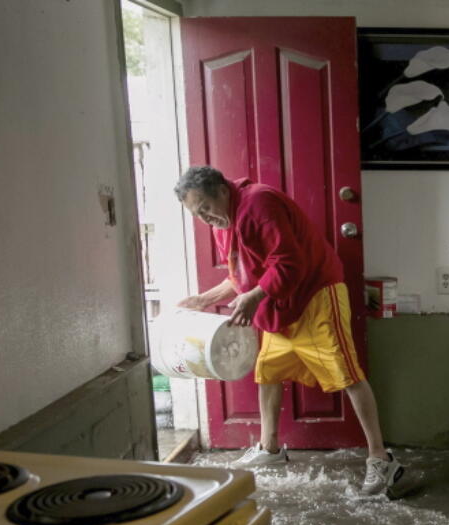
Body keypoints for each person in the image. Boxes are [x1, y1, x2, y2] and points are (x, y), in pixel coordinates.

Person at [173, 166, 404, 496]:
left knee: (346, 373)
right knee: (268, 371)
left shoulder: (259, 204)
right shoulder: (223, 224)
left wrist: (254, 296)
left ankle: (382, 459)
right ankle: (270, 449)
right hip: (279, 302)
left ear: (222, 191)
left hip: (315, 294)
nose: (205, 218)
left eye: (206, 207)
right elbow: (239, 277)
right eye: (197, 213)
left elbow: (289, 262)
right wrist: (203, 300)